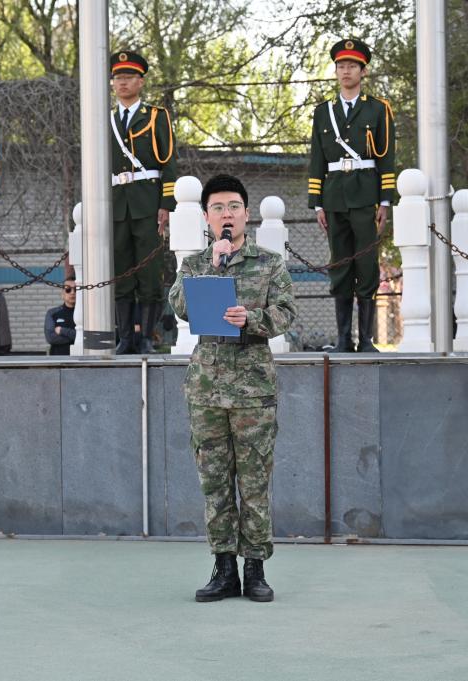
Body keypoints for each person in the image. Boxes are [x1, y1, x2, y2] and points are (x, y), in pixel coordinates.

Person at [168, 174, 297, 603]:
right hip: (206, 389)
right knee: (215, 482)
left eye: (234, 207)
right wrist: (213, 264)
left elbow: (286, 312)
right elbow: (179, 306)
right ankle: (223, 568)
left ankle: (255, 568)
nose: (227, 215)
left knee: (254, 480)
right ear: (207, 217)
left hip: (253, 390)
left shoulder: (269, 263)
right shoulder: (195, 264)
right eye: (219, 208)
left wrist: (252, 320)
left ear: (246, 213)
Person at [307, 38, 396, 353]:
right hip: (334, 196)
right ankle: (344, 338)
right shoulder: (323, 112)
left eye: (352, 66)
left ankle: (367, 340)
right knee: (340, 265)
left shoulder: (378, 109)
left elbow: (387, 157)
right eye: (341, 66)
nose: (345, 71)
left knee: (367, 265)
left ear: (363, 71)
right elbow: (317, 158)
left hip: (365, 195)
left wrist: (385, 201)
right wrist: (317, 203)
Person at [110, 50, 178, 354]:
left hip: (148, 202)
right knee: (121, 273)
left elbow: (169, 163)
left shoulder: (155, 116)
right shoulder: (107, 120)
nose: (122, 83)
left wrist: (166, 204)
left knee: (149, 273)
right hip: (116, 204)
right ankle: (125, 338)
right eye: (117, 78)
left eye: (128, 77)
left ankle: (148, 338)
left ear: (141, 81)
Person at [44, 273, 77, 356]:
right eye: (68, 289)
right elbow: (51, 338)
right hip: (58, 360)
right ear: (62, 293)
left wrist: (62, 330)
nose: (72, 293)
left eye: (76, 289)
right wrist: (75, 336)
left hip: (80, 360)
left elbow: (86, 337)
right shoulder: (52, 313)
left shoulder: (85, 315)